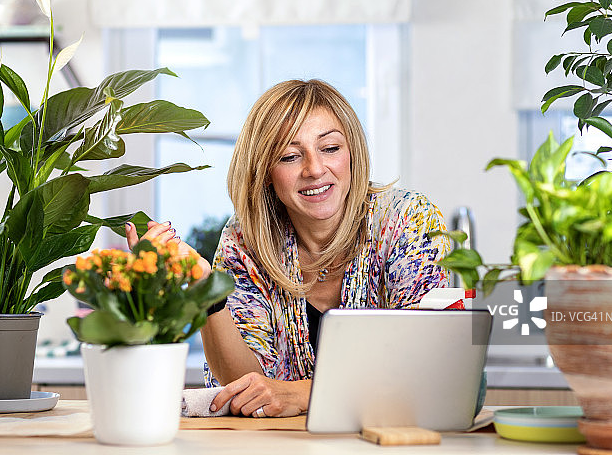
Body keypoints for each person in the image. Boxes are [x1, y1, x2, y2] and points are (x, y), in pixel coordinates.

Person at [127, 79, 451, 419]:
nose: (314, 169)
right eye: (290, 156)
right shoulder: (244, 239)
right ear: (266, 172)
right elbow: (244, 388)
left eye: (330, 148)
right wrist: (205, 291)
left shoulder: (407, 219)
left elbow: (428, 366)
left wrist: (301, 393)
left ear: (352, 153)